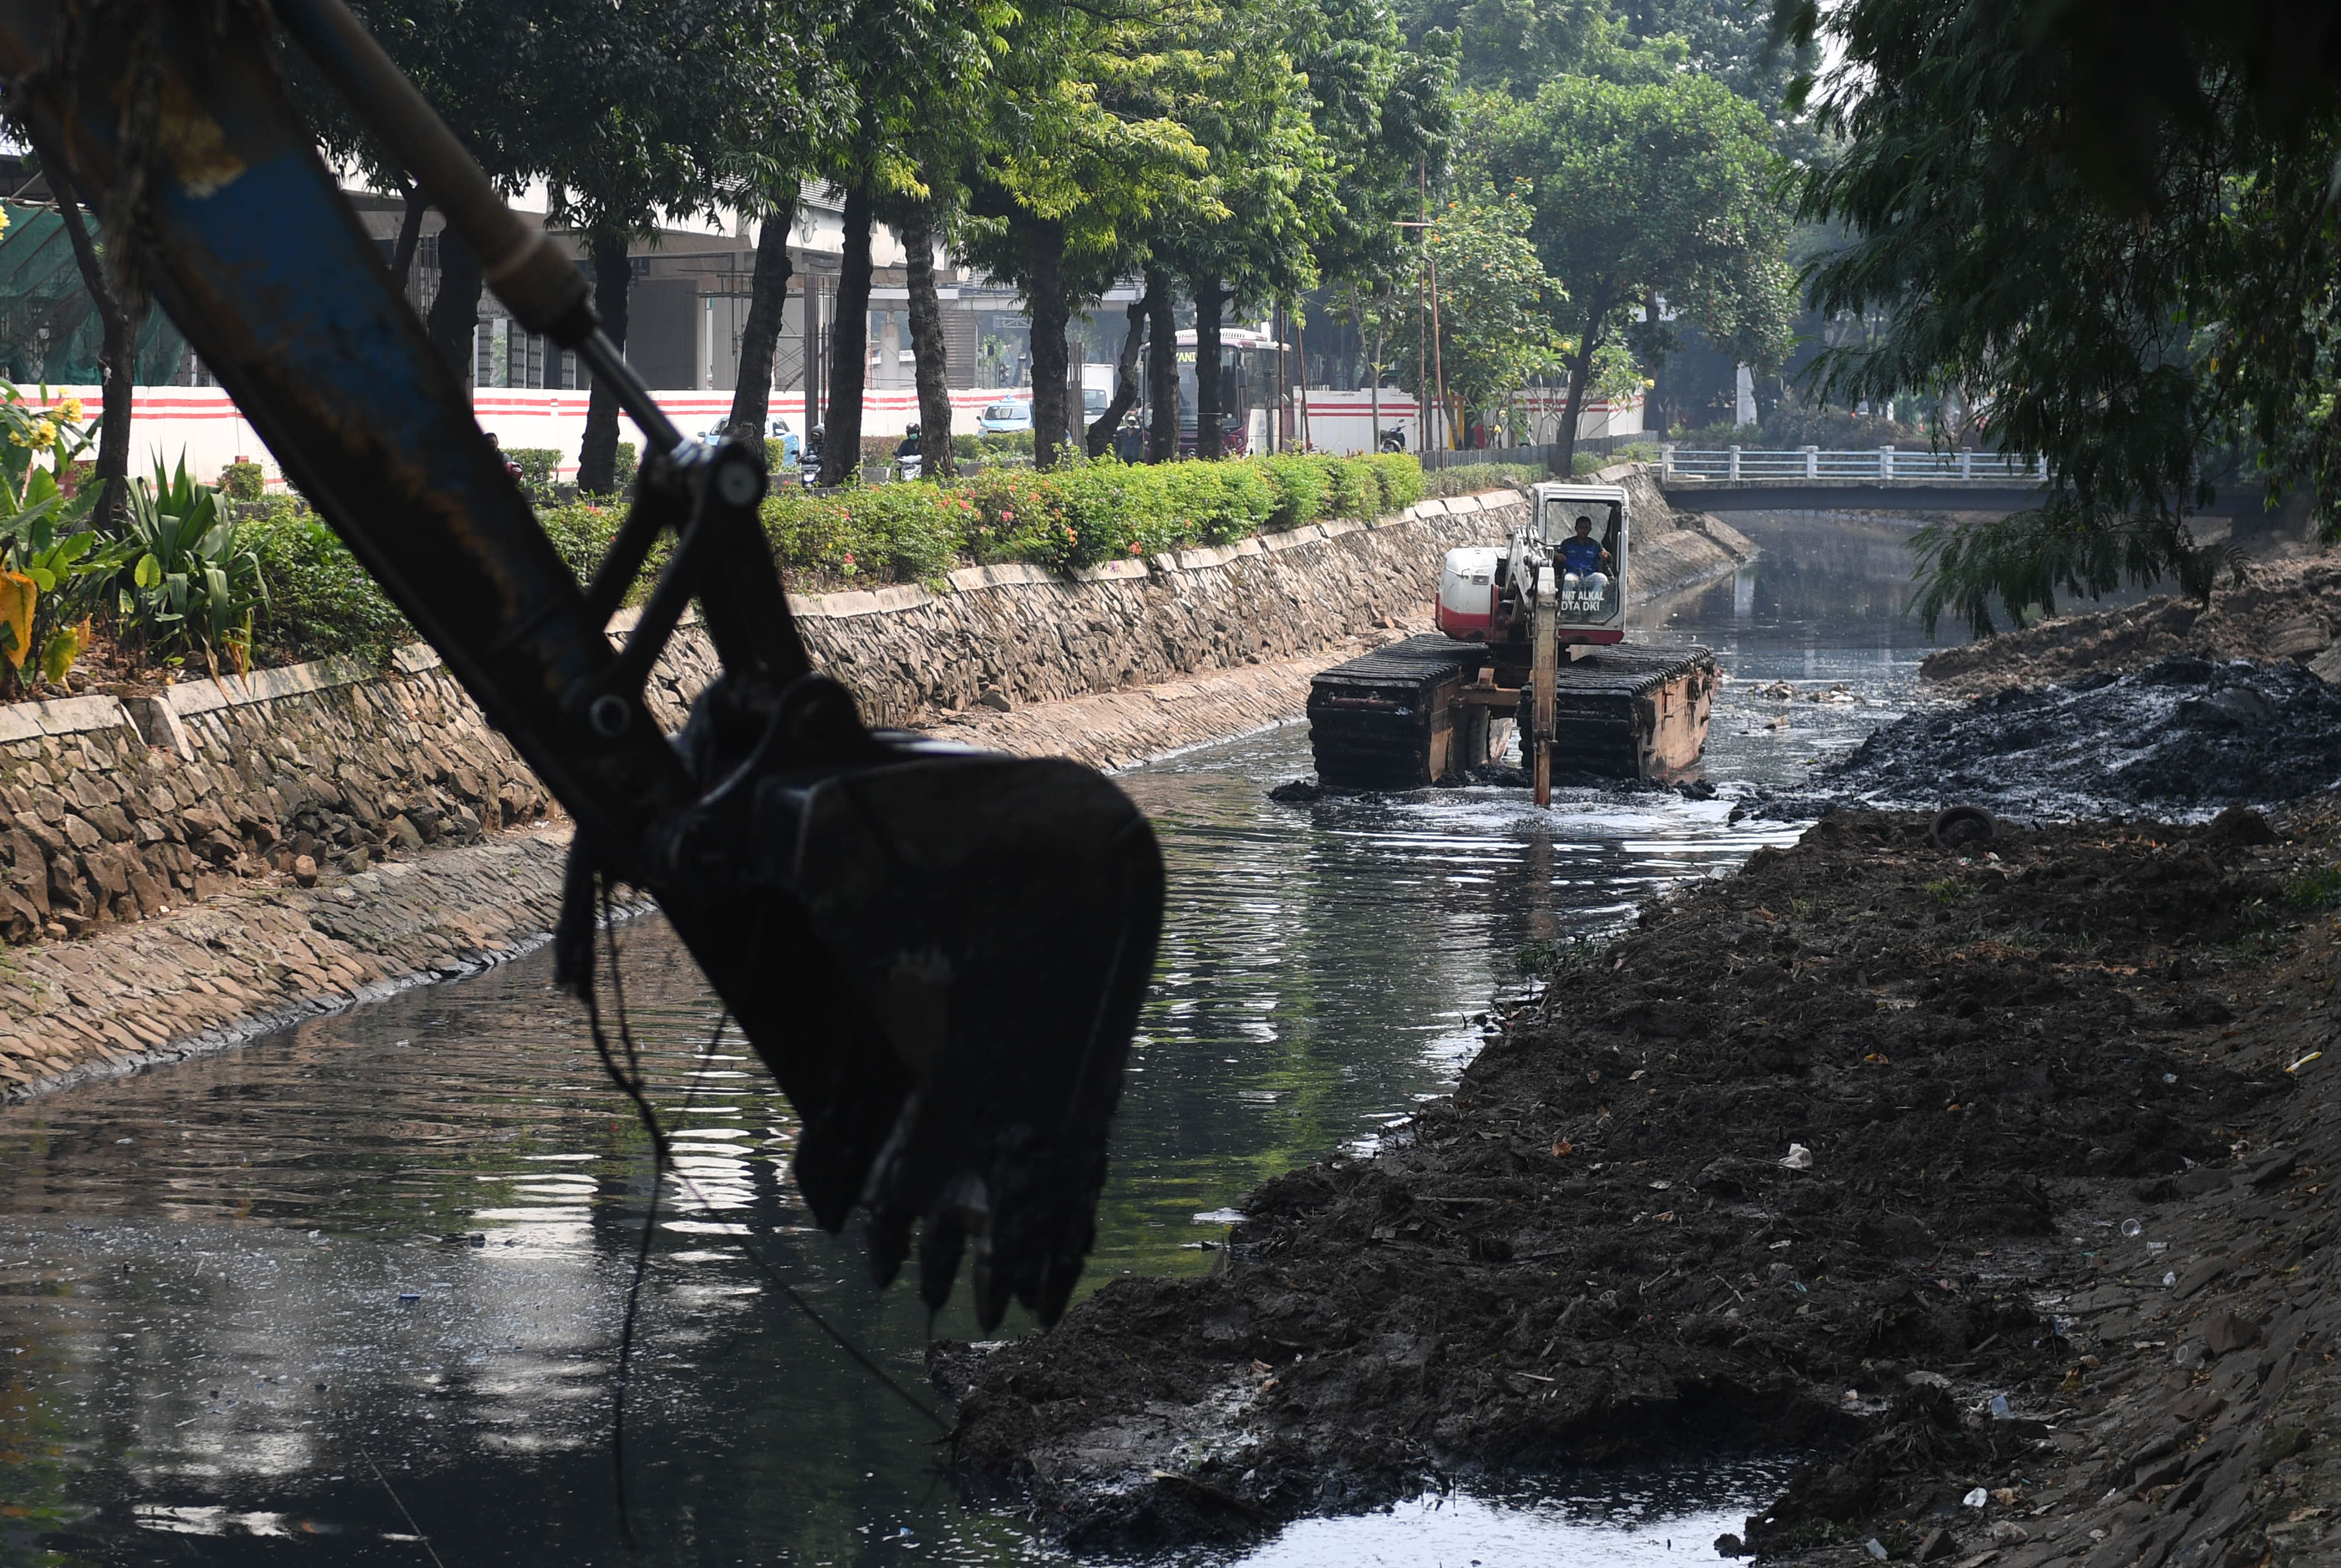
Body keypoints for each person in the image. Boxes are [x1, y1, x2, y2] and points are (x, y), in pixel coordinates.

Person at [1559, 514, 1611, 599]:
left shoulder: (1595, 545)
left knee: (1602, 579)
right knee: (1567, 579)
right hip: (1573, 574)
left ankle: (1592, 606)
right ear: (1576, 529)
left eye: (1586, 528)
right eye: (1581, 528)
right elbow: (1558, 557)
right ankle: (1567, 608)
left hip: (1589, 576)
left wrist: (1606, 555)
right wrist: (1559, 557)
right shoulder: (1567, 544)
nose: (1583, 530)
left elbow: (1608, 558)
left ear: (1590, 530)